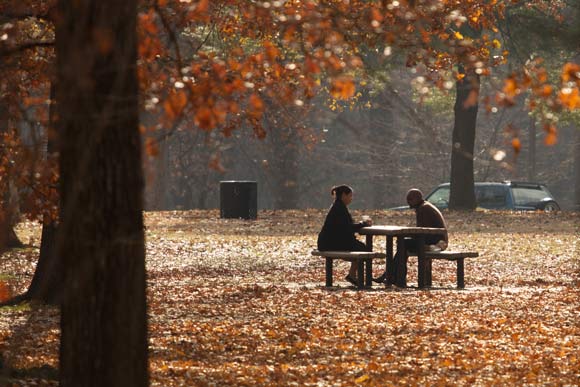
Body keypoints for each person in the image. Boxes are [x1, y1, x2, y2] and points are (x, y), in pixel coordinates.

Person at [374, 188, 448, 285]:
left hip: (437, 242)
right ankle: (393, 276)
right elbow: (422, 230)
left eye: (410, 199)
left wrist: (407, 234)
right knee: (403, 244)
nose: (408, 202)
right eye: (407, 199)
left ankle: (393, 276)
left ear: (418, 198)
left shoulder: (424, 208)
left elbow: (423, 230)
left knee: (403, 243)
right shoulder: (423, 207)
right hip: (433, 238)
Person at [317, 185, 372, 285]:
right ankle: (356, 277)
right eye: (350, 196)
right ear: (343, 195)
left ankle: (353, 275)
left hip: (327, 242)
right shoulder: (339, 208)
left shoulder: (337, 206)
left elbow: (346, 226)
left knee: (362, 248)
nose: (351, 199)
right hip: (331, 243)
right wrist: (363, 224)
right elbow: (348, 227)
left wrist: (360, 224)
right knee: (364, 250)